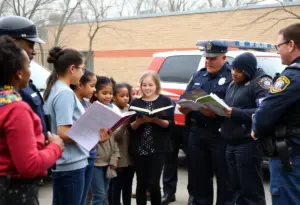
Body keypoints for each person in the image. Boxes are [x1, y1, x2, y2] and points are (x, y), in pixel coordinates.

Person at [0, 36, 64, 205]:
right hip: (13, 193)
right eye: (28, 65)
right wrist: (55, 147)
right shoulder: (15, 109)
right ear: (19, 73)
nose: (30, 70)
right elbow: (29, 165)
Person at [179, 41, 234, 205]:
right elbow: (185, 98)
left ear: (224, 57)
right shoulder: (199, 75)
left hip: (221, 134)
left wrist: (217, 112)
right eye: (206, 58)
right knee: (198, 179)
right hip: (197, 133)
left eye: (212, 58)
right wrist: (187, 106)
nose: (208, 62)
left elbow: (236, 107)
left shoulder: (232, 76)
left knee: (226, 180)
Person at [251, 23, 300, 205]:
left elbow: (264, 115)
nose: (277, 51)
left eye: (278, 46)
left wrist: (256, 125)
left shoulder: (291, 77)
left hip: (291, 155)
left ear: (291, 45)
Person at [221, 52, 271, 205]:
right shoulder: (233, 83)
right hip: (231, 142)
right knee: (236, 189)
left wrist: (234, 112)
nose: (234, 73)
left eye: (239, 70)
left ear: (248, 70)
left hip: (248, 143)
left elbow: (264, 111)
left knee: (251, 190)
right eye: (233, 69)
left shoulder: (261, 83)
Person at [43, 47, 90, 205]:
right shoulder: (65, 93)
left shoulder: (55, 88)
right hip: (70, 164)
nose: (82, 73)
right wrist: (91, 133)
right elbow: (63, 132)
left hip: (65, 163)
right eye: (82, 69)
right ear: (72, 69)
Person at [128, 71, 174, 205]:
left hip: (158, 148)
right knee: (141, 182)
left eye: (150, 85)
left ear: (156, 86)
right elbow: (130, 127)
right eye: (144, 85)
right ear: (140, 86)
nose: (147, 88)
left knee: (154, 183)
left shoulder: (165, 100)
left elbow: (170, 125)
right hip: (139, 147)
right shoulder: (136, 102)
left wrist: (155, 120)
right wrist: (140, 122)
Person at [0, 16, 49, 139]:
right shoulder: (8, 86)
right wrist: (54, 148)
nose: (33, 52)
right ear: (12, 43)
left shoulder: (24, 82)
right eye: (30, 45)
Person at [90, 76, 120, 205]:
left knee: (104, 194)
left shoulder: (113, 110)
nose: (108, 96)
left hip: (108, 161)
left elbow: (113, 139)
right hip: (96, 161)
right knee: (99, 196)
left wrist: (115, 157)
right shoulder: (90, 111)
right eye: (104, 93)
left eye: (111, 93)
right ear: (95, 93)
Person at [71, 70, 97, 205]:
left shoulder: (86, 104)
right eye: (92, 85)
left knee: (83, 198)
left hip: (91, 153)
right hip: (80, 156)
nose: (94, 89)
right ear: (80, 85)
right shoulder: (73, 103)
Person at [109, 83, 135, 205]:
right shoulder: (112, 112)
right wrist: (125, 123)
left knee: (128, 185)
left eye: (127, 95)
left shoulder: (129, 109)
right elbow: (116, 136)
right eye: (122, 96)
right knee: (116, 186)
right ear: (114, 97)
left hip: (130, 155)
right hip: (118, 157)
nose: (126, 98)